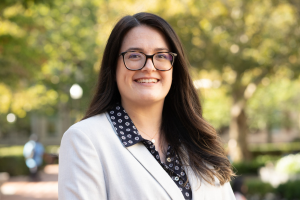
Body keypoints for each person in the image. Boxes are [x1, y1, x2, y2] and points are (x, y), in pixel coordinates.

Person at [58, 12, 235, 200]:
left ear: (175, 67)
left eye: (161, 55)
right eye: (134, 55)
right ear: (113, 66)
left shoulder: (197, 141)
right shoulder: (85, 140)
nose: (149, 67)